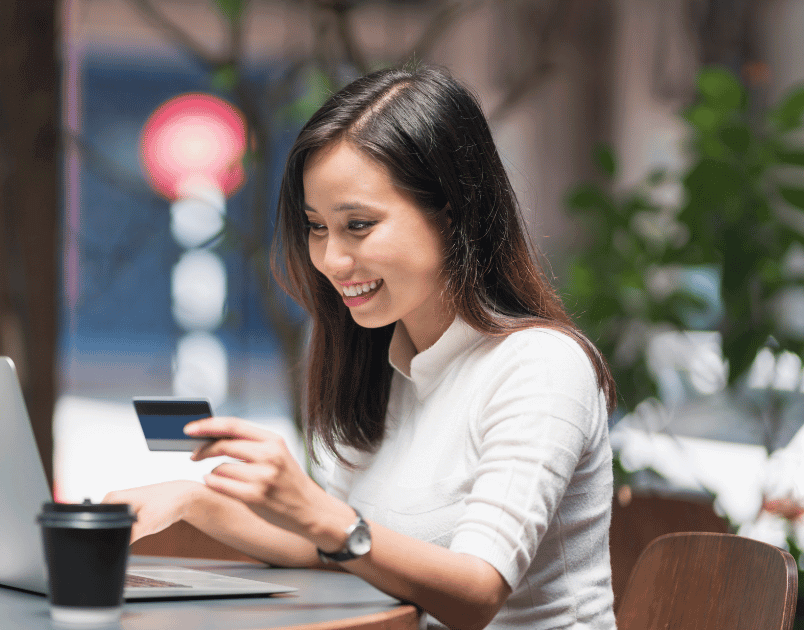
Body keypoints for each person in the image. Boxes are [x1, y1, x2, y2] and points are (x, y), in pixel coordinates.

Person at [105, 65, 617, 630]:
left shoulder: (540, 366)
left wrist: (324, 515)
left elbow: (477, 592)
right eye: (317, 227)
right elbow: (336, 551)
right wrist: (191, 501)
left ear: (450, 214)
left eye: (358, 225)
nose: (329, 260)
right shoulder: (383, 362)